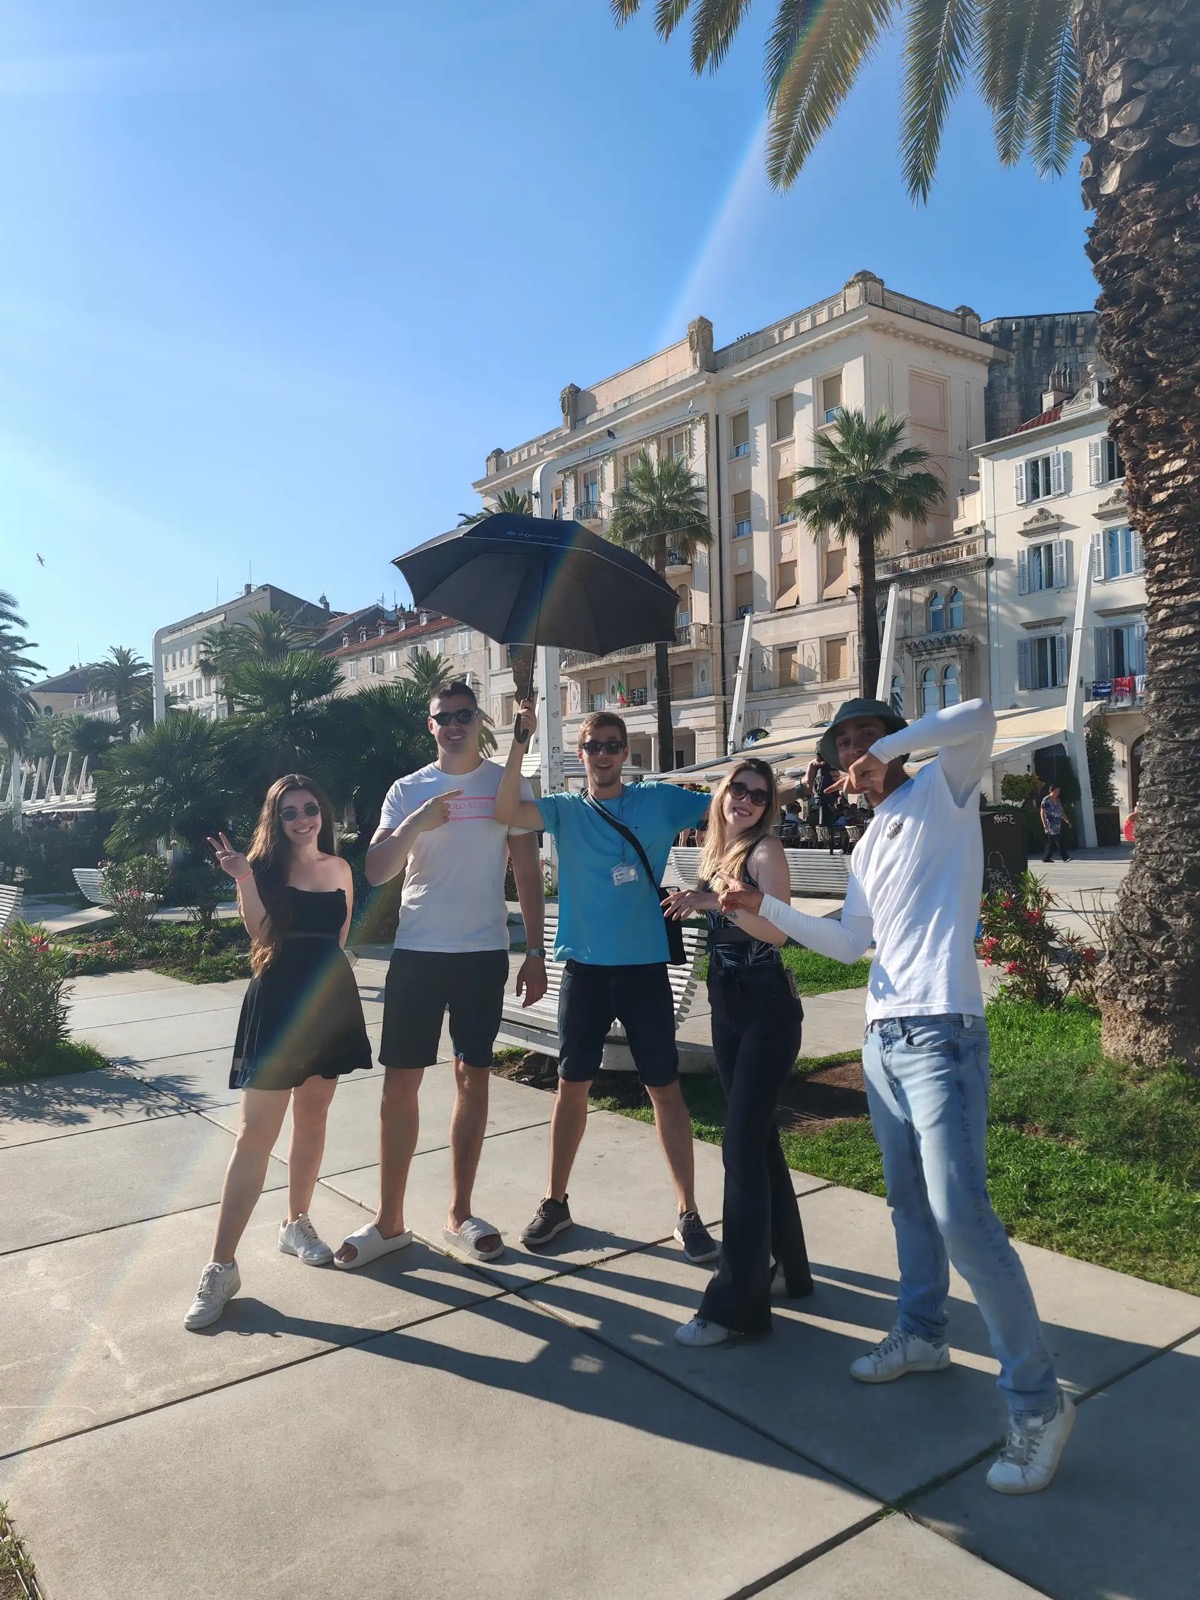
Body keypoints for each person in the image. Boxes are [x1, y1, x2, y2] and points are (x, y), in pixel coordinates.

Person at [721, 697, 1075, 1495]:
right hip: (884, 1038)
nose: (856, 751)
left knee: (962, 1215)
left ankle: (1038, 1402)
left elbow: (979, 714)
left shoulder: (944, 789)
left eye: (868, 737)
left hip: (945, 1032)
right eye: (844, 741)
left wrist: (896, 748)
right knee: (910, 1205)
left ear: (899, 744)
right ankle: (921, 1332)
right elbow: (850, 942)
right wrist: (762, 906)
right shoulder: (872, 837)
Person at [334, 681, 546, 1270]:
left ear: (480, 719)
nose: (454, 724)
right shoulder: (409, 790)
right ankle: (390, 1221)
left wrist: (534, 951)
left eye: (463, 714)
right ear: (430, 726)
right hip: (419, 952)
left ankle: (459, 1213)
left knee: (472, 1078)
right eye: (443, 717)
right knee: (398, 1085)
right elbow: (376, 870)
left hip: (482, 953)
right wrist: (419, 823)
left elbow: (526, 870)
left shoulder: (509, 785)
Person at [496, 702, 718, 1262]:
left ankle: (687, 1212)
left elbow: (731, 805)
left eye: (613, 745)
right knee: (572, 1085)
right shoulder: (566, 810)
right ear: (581, 754)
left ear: (626, 752)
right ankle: (555, 1201)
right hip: (586, 971)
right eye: (594, 745)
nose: (603, 754)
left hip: (643, 968)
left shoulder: (657, 802)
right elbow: (506, 809)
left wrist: (793, 785)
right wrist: (520, 740)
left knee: (663, 1087)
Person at [185, 776, 372, 1330]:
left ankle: (297, 1223)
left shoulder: (339, 869)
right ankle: (221, 1266)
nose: (302, 819)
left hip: (328, 1002)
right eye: (289, 812)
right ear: (276, 818)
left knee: (313, 1119)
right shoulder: (263, 871)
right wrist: (243, 879)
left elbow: (337, 938)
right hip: (277, 1001)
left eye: (311, 808)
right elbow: (262, 933)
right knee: (255, 1135)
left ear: (324, 813)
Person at [663, 759, 813, 1347]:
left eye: (758, 794)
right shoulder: (716, 849)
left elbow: (778, 932)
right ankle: (790, 1271)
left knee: (740, 1147)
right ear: (722, 794)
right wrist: (703, 898)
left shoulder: (765, 850)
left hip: (766, 1009)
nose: (746, 801)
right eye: (738, 790)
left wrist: (718, 903)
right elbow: (727, 914)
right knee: (759, 1140)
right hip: (727, 1006)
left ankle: (736, 1306)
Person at [1039, 784, 1072, 863]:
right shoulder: (1046, 800)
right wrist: (1044, 824)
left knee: (1051, 841)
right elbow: (1042, 812)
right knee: (1058, 839)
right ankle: (1065, 857)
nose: (1057, 793)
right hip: (1050, 823)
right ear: (1051, 790)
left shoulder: (1057, 800)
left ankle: (1046, 857)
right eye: (1056, 791)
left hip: (1058, 823)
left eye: (1058, 791)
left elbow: (1061, 811)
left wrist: (1067, 820)